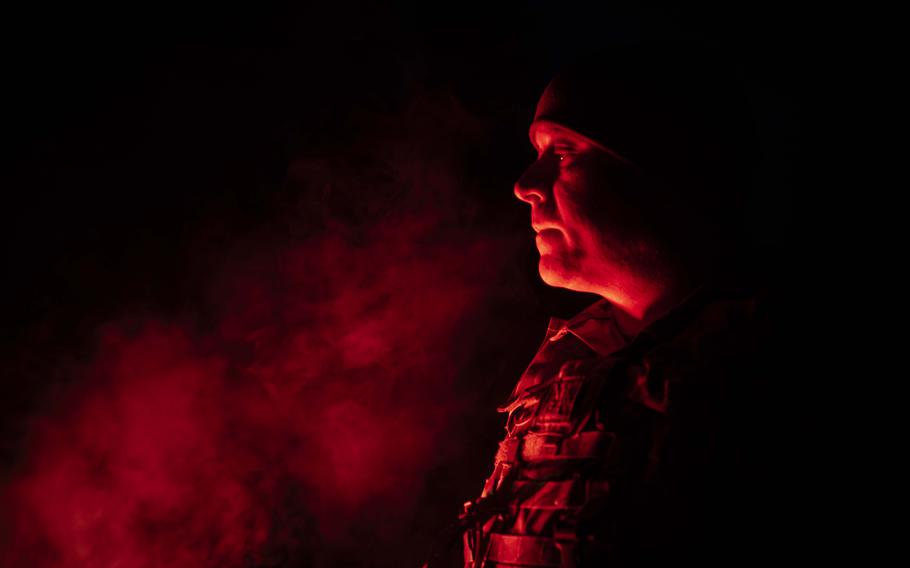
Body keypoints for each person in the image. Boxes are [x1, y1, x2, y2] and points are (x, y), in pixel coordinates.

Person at [455, 42, 803, 567]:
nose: (525, 185)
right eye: (537, 153)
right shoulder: (561, 369)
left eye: (565, 152)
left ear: (662, 171)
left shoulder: (761, 375)